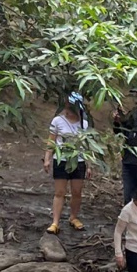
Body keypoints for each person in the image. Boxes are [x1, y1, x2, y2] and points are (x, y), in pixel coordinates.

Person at [46, 92, 91, 234]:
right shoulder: (57, 121)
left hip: (79, 160)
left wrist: (89, 165)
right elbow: (51, 141)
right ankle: (55, 222)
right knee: (60, 192)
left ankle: (73, 217)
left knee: (77, 192)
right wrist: (47, 158)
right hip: (62, 159)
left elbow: (87, 144)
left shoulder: (84, 123)